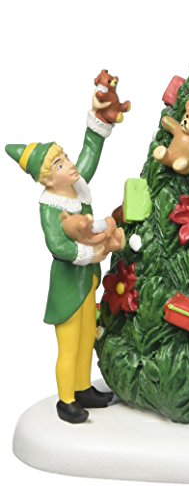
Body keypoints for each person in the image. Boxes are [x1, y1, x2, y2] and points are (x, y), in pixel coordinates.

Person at [5, 109, 120, 424]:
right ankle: (66, 399)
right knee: (69, 344)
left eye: (65, 158)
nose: (69, 165)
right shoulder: (51, 207)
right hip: (68, 286)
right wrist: (90, 253)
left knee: (86, 337)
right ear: (47, 179)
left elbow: (89, 156)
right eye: (59, 164)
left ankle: (83, 388)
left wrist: (99, 119)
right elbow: (58, 245)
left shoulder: (75, 188)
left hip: (87, 282)